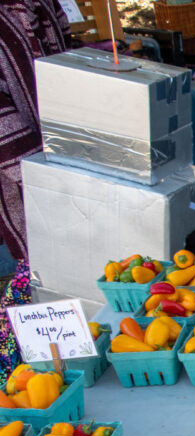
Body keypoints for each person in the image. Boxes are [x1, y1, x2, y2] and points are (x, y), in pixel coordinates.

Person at [0, 1, 68, 381]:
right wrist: (37, 173)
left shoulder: (44, 3)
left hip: (62, 152)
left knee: (75, 259)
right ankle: (29, 371)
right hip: (21, 170)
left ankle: (67, 356)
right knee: (37, 265)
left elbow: (64, 50)